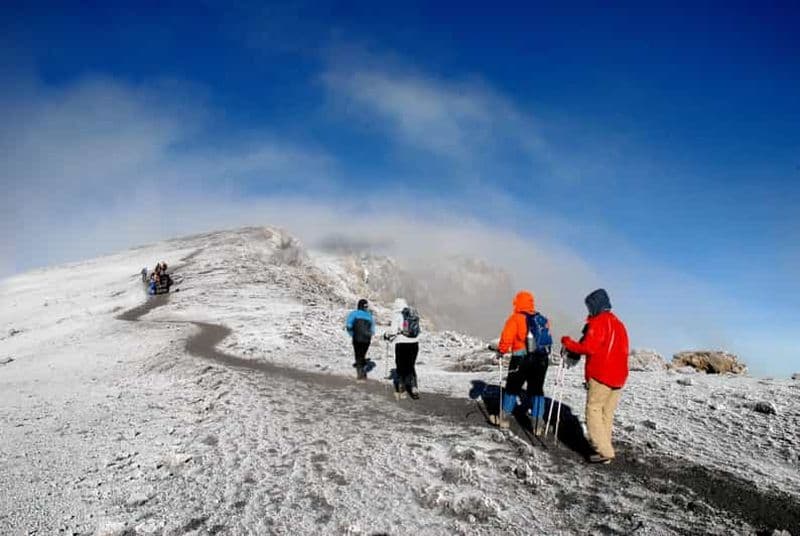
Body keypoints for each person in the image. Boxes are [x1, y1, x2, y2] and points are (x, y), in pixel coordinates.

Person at [561, 288, 629, 464]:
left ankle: (605, 451)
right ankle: (604, 449)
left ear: (595, 305)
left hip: (601, 374)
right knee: (607, 413)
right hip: (619, 376)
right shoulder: (619, 324)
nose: (588, 310)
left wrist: (567, 342)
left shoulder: (599, 322)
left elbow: (588, 348)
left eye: (589, 306)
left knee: (593, 410)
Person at [493, 290, 552, 431]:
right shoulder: (542, 319)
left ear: (517, 302)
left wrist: (501, 350)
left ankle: (504, 419)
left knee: (513, 387)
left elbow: (507, 337)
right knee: (537, 390)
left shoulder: (515, 318)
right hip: (541, 359)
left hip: (521, 357)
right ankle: (538, 423)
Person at [384, 298, 420, 400]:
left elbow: (392, 331)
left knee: (400, 366)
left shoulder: (397, 315)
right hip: (414, 344)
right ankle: (414, 388)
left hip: (402, 344)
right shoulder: (414, 314)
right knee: (410, 366)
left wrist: (386, 335)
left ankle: (401, 390)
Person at [346, 299, 375, 381]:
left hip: (357, 337)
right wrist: (369, 335)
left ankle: (360, 374)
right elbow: (372, 330)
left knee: (358, 355)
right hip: (367, 339)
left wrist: (351, 334)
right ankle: (363, 371)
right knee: (362, 354)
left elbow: (349, 325)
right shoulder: (370, 316)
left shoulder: (354, 314)